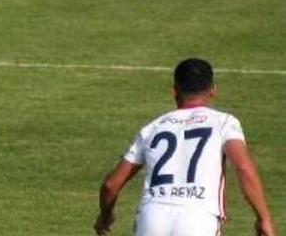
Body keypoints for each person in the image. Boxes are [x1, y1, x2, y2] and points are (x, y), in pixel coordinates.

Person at [94, 58, 276, 236]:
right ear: (213, 90)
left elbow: (111, 185)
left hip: (151, 218)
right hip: (198, 219)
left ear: (174, 91)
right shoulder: (224, 122)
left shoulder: (152, 128)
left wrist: (105, 215)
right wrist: (263, 218)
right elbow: (243, 167)